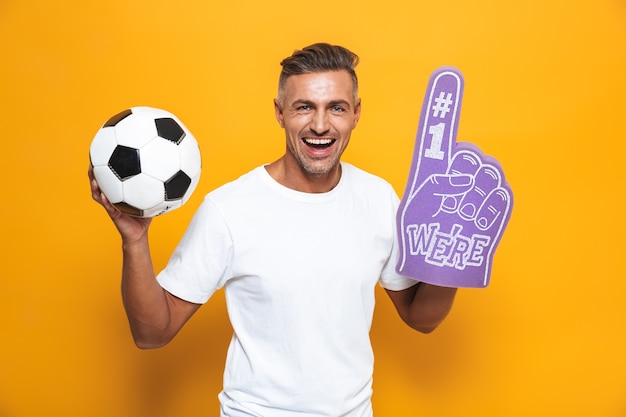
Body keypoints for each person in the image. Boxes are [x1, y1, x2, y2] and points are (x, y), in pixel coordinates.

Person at [89, 43, 458, 417]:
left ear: (356, 113)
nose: (320, 125)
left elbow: (420, 318)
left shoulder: (378, 198)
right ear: (280, 113)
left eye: (336, 107)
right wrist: (135, 241)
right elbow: (152, 333)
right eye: (304, 107)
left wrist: (455, 255)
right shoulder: (229, 208)